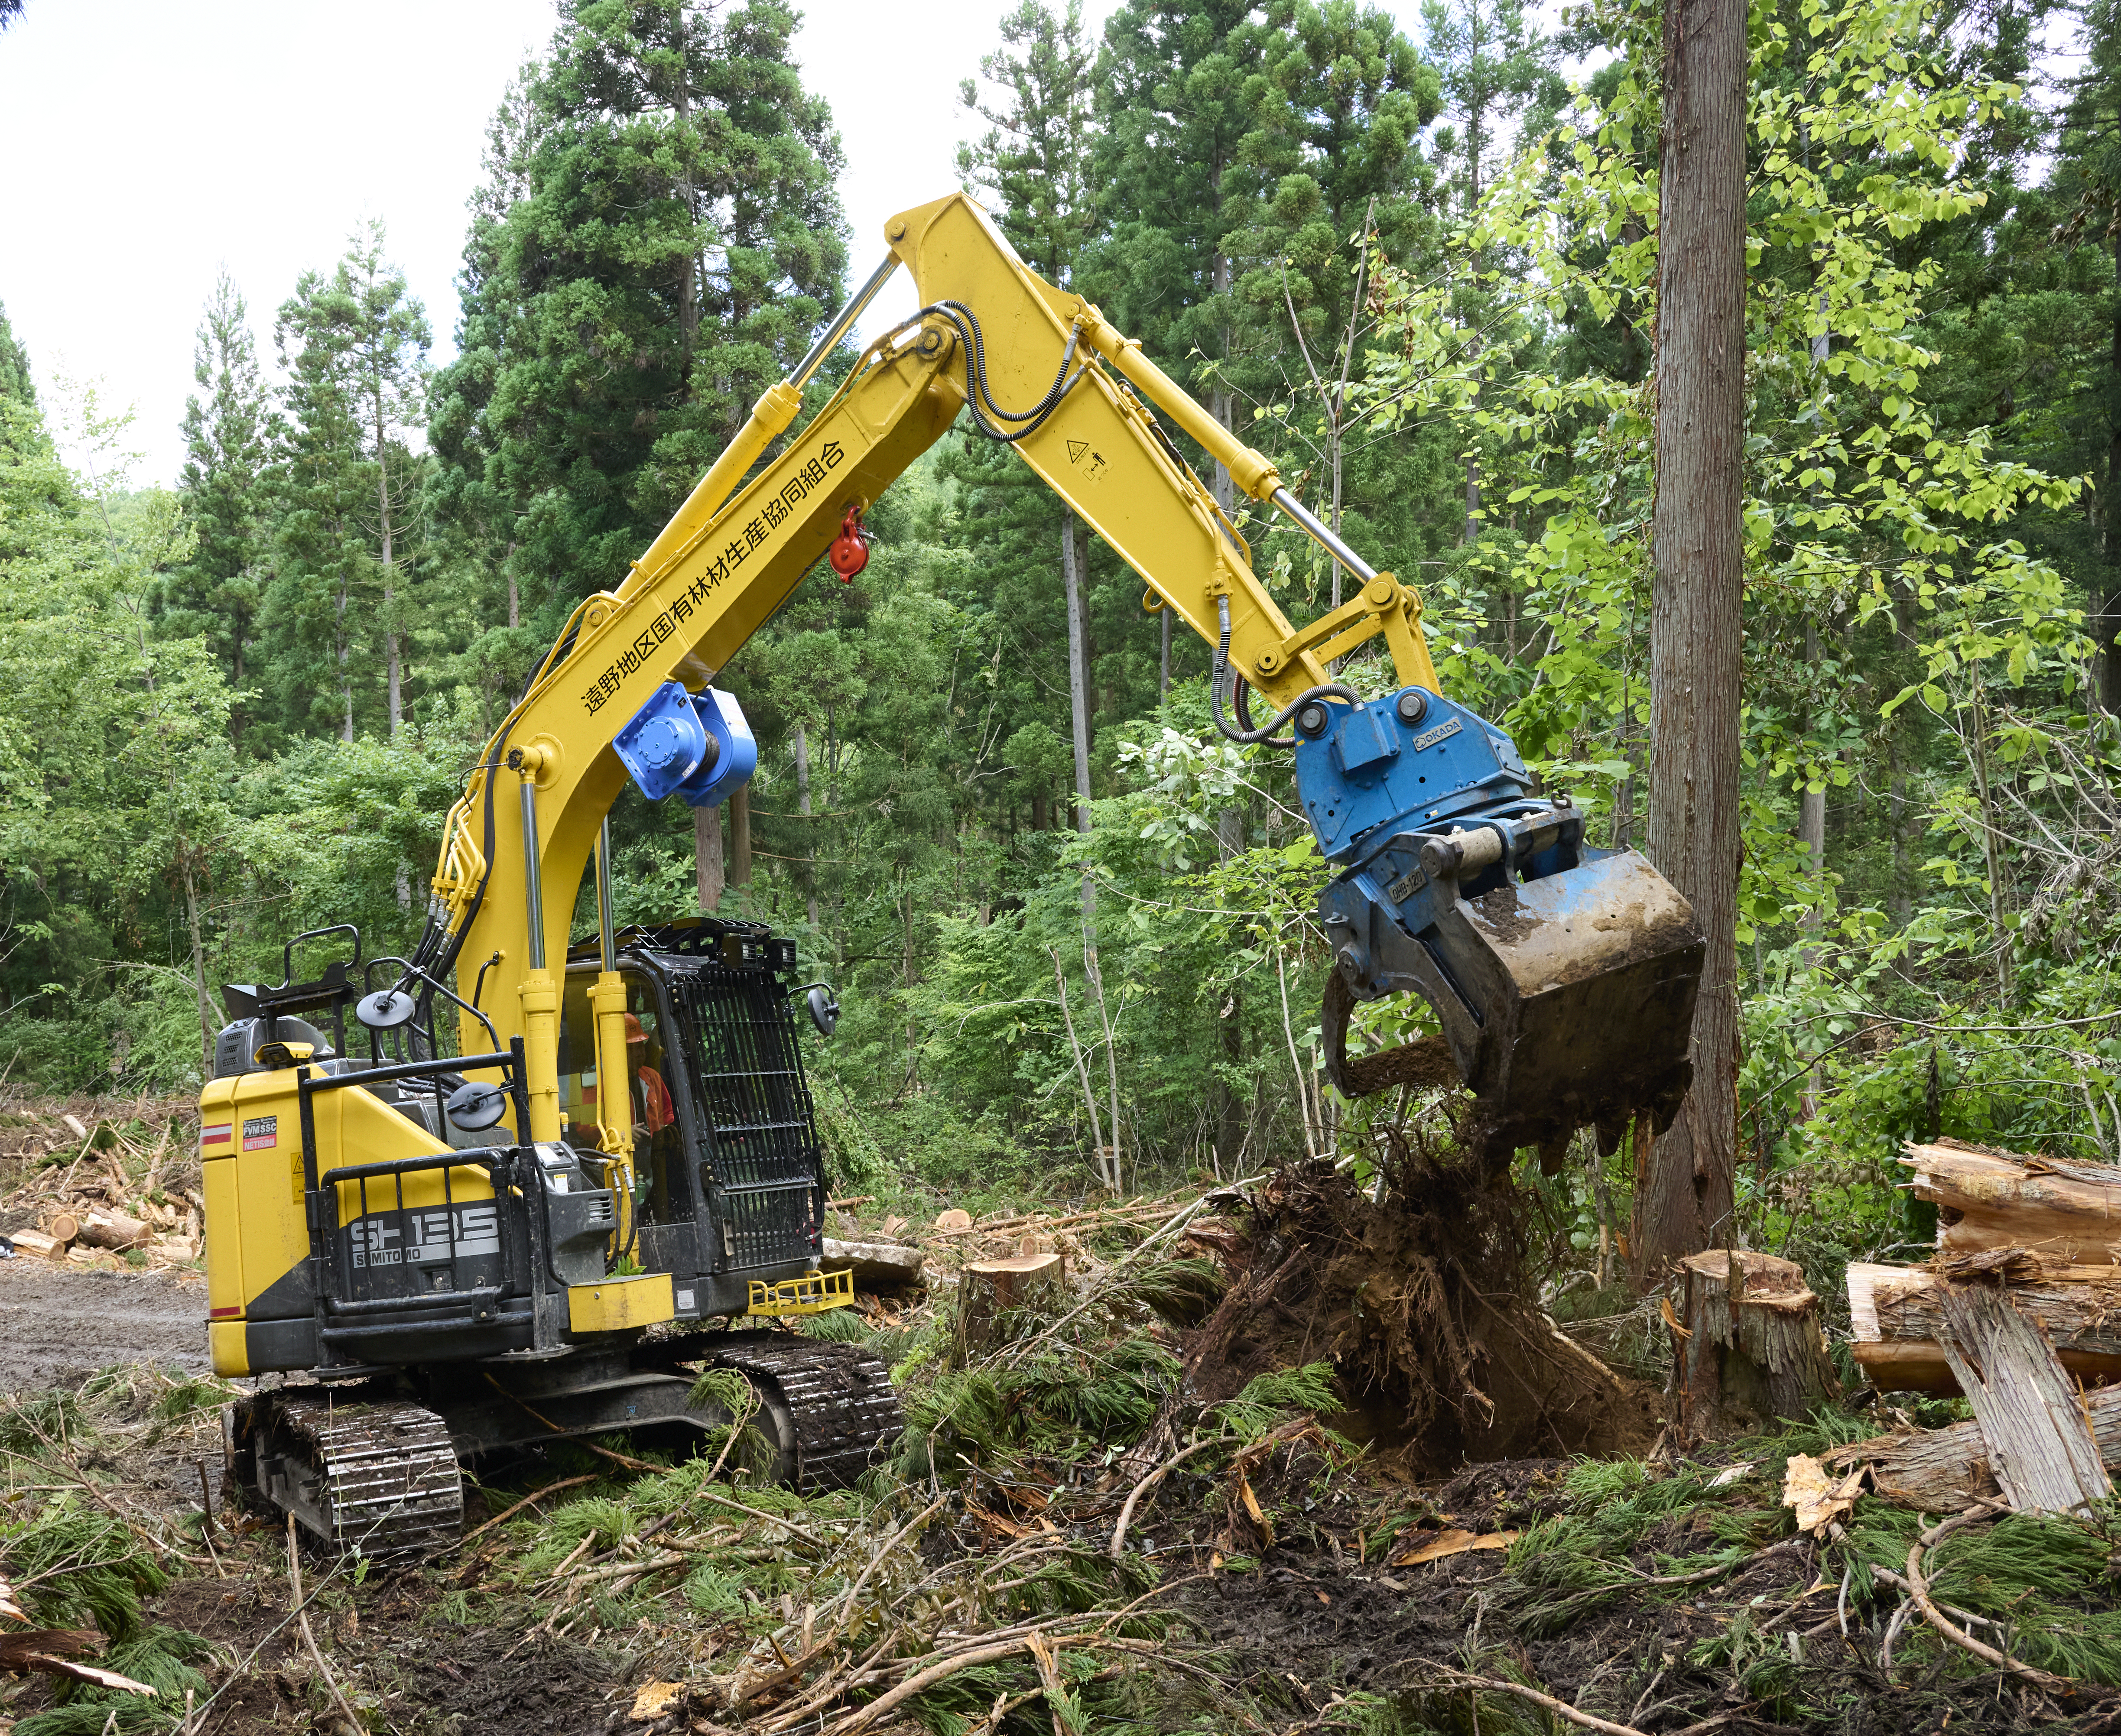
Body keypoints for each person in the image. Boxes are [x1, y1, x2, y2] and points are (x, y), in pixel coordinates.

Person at [627, 1012, 675, 1137]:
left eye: (640, 1046)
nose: (639, 1053)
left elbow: (666, 1116)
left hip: (652, 1151)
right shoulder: (600, 1084)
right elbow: (585, 1128)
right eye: (631, 1049)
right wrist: (622, 1132)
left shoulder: (652, 1077)